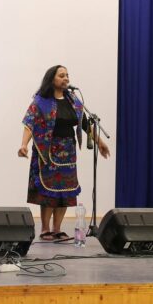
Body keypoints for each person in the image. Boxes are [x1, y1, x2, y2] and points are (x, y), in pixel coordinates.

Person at [18, 65, 110, 241]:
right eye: (62, 75)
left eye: (67, 75)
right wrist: (23, 145)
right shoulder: (40, 101)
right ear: (52, 79)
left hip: (68, 152)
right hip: (47, 151)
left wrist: (100, 142)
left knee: (65, 191)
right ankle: (45, 229)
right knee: (48, 191)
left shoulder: (73, 100)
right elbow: (29, 124)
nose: (66, 78)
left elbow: (85, 124)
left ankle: (57, 229)